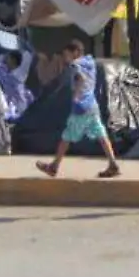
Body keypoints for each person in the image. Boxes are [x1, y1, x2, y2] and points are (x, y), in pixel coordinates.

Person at [35, 40, 122, 180]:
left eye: (67, 54)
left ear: (75, 52)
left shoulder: (75, 65)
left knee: (66, 137)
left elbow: (79, 79)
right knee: (101, 134)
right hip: (93, 106)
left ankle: (54, 167)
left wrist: (75, 96)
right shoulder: (90, 62)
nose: (65, 58)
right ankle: (113, 164)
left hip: (81, 107)